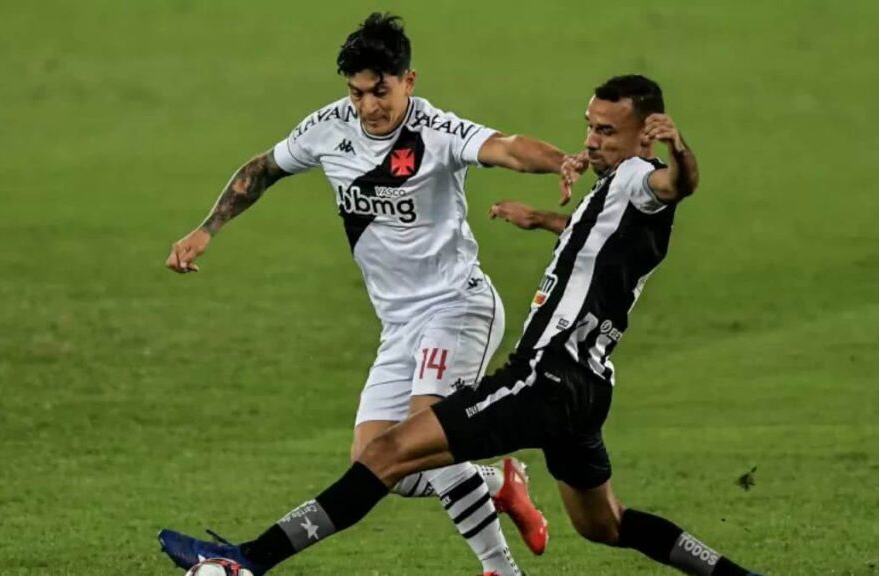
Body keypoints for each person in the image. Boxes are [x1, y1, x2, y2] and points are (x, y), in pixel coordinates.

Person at [159, 75, 764, 576]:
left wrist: (681, 149)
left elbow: (679, 184)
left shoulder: (643, 179)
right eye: (589, 125)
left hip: (545, 376)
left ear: (646, 133)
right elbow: (601, 245)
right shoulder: (617, 194)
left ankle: (245, 562)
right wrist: (543, 221)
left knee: (388, 451)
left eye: (607, 130)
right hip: (587, 387)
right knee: (605, 524)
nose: (591, 139)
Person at [164, 12, 575, 575]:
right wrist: (205, 229)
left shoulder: (435, 132)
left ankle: (501, 570)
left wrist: (565, 162)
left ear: (409, 80)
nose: (369, 106)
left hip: (457, 307)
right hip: (399, 326)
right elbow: (262, 168)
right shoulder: (329, 127)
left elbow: (505, 147)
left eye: (380, 91)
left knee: (423, 431)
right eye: (358, 93)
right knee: (375, 464)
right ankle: (497, 481)